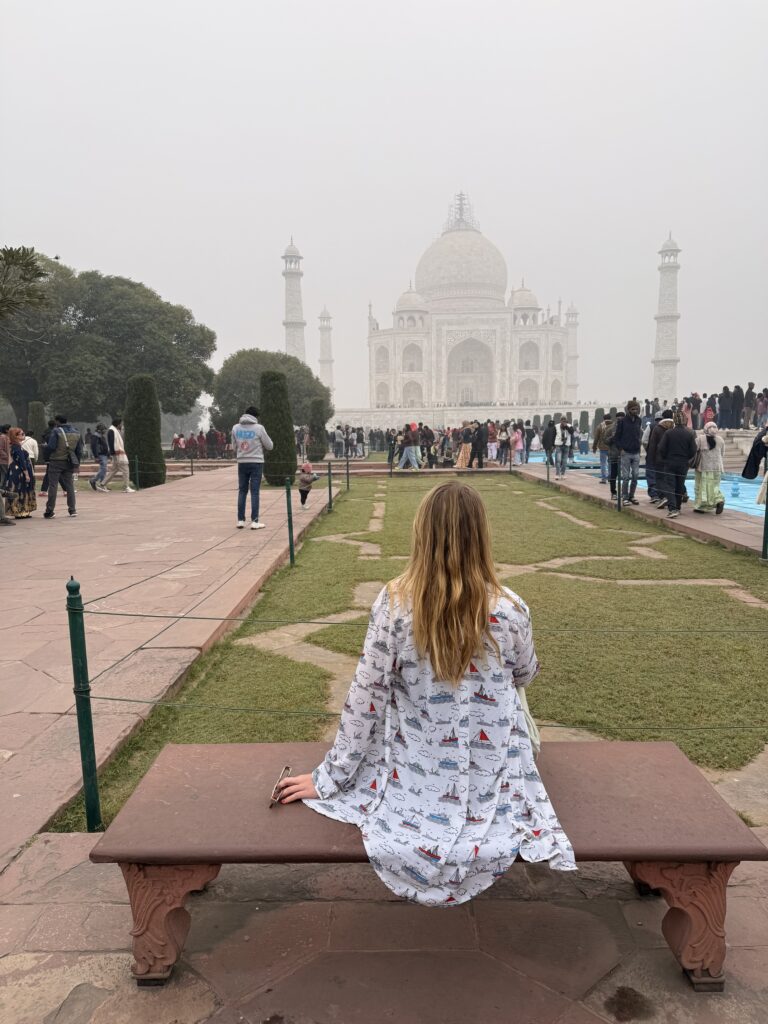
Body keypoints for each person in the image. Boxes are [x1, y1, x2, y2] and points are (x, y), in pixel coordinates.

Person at [277, 482, 575, 904]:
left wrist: (333, 778)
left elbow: (367, 696)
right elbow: (526, 674)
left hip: (417, 759)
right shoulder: (510, 608)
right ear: (482, 536)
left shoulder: (395, 605)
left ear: (422, 534)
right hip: (492, 762)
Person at [232, 406, 273, 529]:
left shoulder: (235, 428)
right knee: (254, 492)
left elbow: (234, 447)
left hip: (242, 462)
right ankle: (255, 521)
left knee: (242, 491)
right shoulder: (259, 428)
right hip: (256, 462)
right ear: (255, 417)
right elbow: (269, 446)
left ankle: (240, 520)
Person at [656, 411, 696, 519]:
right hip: (683, 463)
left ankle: (672, 508)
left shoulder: (669, 433)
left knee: (670, 486)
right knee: (679, 485)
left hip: (670, 462)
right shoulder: (689, 434)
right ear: (684, 421)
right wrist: (686, 458)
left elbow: (661, 448)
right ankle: (677, 507)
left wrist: (665, 458)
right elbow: (693, 450)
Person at [43, 414, 83, 519]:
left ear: (57, 421)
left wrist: (45, 450)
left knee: (53, 486)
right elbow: (79, 451)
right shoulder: (77, 432)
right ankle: (72, 510)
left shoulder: (56, 431)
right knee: (70, 486)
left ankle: (49, 511)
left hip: (56, 461)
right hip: (69, 462)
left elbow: (51, 446)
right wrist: (77, 464)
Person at [613, 400, 643, 505]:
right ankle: (624, 497)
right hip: (625, 452)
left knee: (635, 475)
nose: (635, 411)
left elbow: (638, 435)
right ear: (629, 410)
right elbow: (617, 437)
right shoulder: (622, 421)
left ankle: (631, 496)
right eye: (633, 409)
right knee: (626, 477)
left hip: (636, 452)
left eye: (636, 409)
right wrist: (621, 449)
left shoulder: (639, 420)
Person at [3, 428, 37, 519]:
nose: (24, 435)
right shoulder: (16, 447)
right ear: (16, 436)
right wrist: (26, 474)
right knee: (20, 490)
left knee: (21, 490)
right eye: (22, 434)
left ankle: (23, 511)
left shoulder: (16, 446)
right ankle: (20, 511)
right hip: (19, 472)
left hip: (16, 470)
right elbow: (21, 461)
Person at [693, 423, 725, 515]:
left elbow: (694, 450)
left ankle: (701, 507)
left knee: (702, 487)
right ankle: (719, 500)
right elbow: (722, 454)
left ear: (706, 429)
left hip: (703, 467)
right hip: (717, 468)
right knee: (715, 487)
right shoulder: (720, 440)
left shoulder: (700, 439)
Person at [103, 418, 135, 493]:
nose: (122, 425)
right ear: (118, 424)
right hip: (118, 454)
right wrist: (114, 453)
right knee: (125, 470)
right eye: (121, 424)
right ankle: (126, 487)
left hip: (116, 453)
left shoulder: (114, 430)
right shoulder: (112, 431)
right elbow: (111, 443)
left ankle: (102, 484)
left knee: (114, 470)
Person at [0, 425, 16, 526]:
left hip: (5, 461)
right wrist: (6, 457)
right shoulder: (2, 438)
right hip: (3, 462)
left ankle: (3, 491)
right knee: (4, 479)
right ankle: (4, 491)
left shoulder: (7, 438)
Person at [592, 414, 613, 485]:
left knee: (603, 464)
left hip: (602, 447)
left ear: (603, 419)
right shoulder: (614, 425)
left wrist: (594, 447)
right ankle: (610, 477)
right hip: (611, 447)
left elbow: (596, 438)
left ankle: (604, 479)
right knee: (611, 463)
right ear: (610, 418)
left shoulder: (600, 426)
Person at [89, 424, 110, 492]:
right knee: (103, 469)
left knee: (104, 470)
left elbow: (105, 446)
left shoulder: (101, 436)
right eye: (103, 429)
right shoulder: (95, 436)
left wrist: (108, 454)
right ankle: (96, 481)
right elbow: (93, 447)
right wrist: (96, 456)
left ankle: (101, 483)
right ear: (99, 430)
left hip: (104, 455)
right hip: (100, 455)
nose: (104, 431)